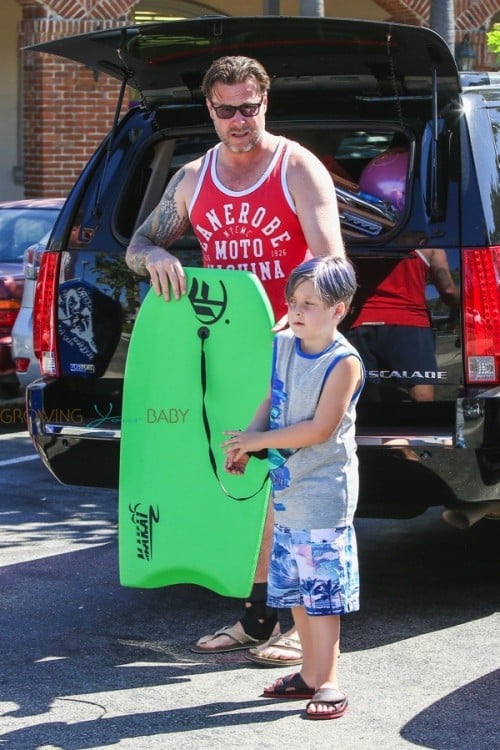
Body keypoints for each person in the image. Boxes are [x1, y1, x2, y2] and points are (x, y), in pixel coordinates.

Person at [125, 55, 345, 662]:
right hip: (223, 351)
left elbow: (332, 262)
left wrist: (301, 321)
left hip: (291, 350)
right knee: (241, 478)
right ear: (210, 111)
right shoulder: (194, 178)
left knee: (295, 488)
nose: (240, 120)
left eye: (250, 107)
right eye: (227, 109)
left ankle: (300, 626)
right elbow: (139, 244)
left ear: (265, 103)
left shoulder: (296, 167)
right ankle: (255, 618)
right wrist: (158, 258)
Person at [222, 256, 363, 719]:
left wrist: (259, 440)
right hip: (288, 491)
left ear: (339, 309)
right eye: (293, 301)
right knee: (300, 592)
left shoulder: (342, 363)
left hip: (323, 494)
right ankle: (307, 674)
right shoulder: (284, 344)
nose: (297, 311)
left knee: (321, 596)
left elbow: (320, 429)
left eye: (310, 303)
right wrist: (246, 442)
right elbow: (272, 397)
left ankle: (329, 683)